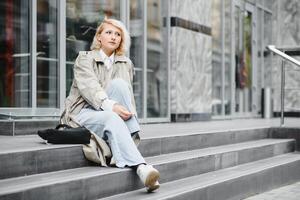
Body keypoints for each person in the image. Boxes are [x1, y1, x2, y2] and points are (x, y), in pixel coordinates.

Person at [60, 18, 160, 192]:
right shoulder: (84, 59)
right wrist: (111, 106)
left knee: (120, 85)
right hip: (81, 112)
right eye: (108, 33)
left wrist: (120, 110)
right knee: (111, 116)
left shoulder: (125, 63)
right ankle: (141, 167)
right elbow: (90, 87)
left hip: (106, 111)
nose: (113, 37)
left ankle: (127, 141)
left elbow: (125, 95)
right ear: (99, 37)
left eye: (118, 34)